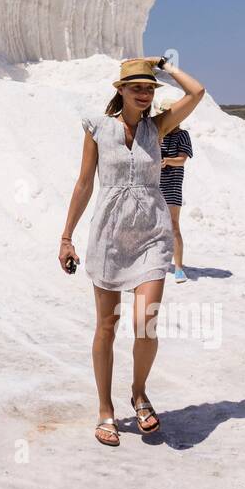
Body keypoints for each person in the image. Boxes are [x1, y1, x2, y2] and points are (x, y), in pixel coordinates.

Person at [60, 56, 206, 446]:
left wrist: (166, 67)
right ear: (120, 90)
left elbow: (197, 92)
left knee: (146, 321)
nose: (144, 93)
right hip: (108, 234)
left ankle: (139, 393)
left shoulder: (158, 126)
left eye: (149, 88)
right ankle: (105, 410)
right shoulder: (97, 128)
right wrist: (66, 236)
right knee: (107, 327)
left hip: (151, 235)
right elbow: (83, 184)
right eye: (137, 87)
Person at [155, 97, 194, 283]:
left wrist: (167, 161)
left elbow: (182, 159)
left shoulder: (182, 135)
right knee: (150, 228)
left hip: (171, 186)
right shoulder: (155, 133)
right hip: (152, 185)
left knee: (173, 225)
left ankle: (178, 267)